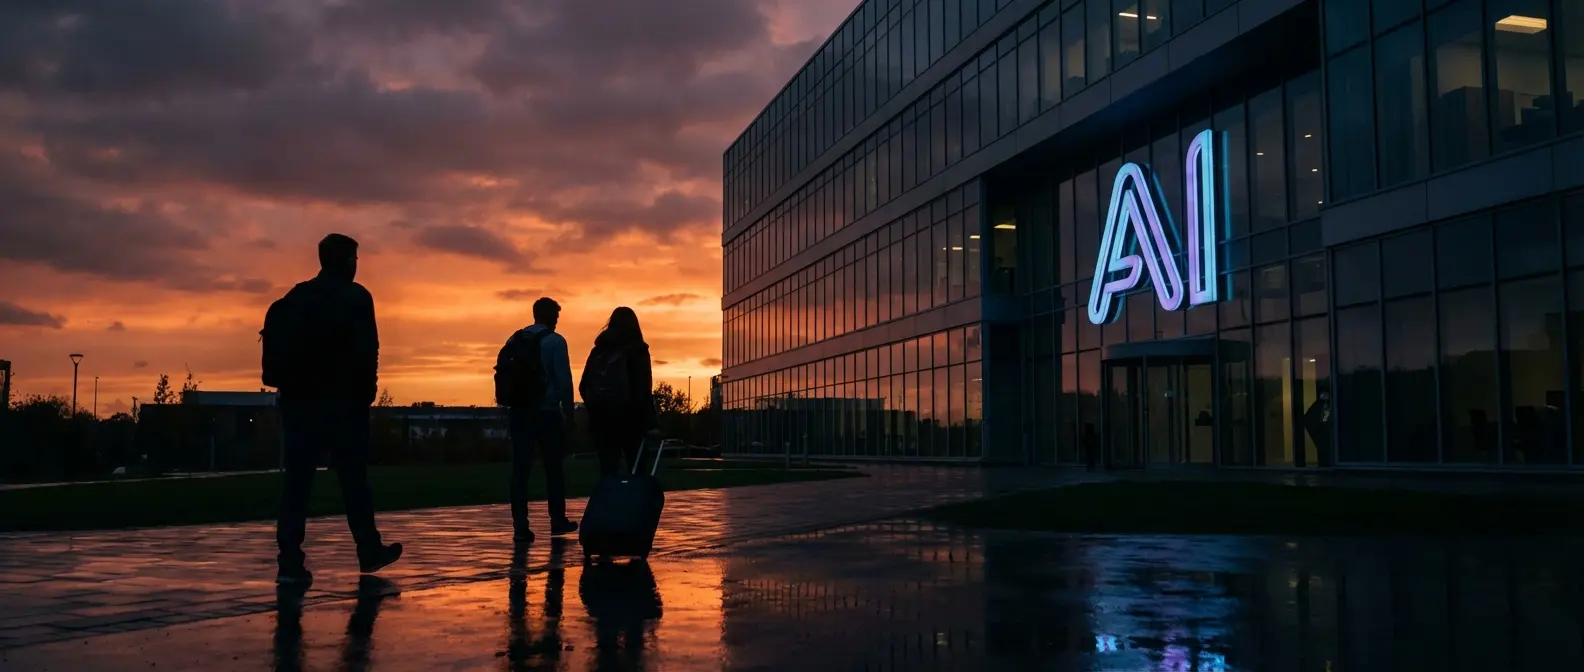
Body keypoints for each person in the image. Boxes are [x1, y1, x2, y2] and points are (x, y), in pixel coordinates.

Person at [265, 233, 401, 587]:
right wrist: (367, 391)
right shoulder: (356, 298)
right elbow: (368, 348)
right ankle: (368, 550)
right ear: (343, 261)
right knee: (354, 481)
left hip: (299, 404)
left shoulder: (296, 297)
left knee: (297, 483)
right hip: (343, 403)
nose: (357, 266)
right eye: (354, 259)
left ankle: (289, 560)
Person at [497, 297, 579, 543]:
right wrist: (570, 414)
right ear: (550, 316)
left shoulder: (515, 339)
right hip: (547, 413)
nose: (557, 320)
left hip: (519, 411)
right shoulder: (555, 341)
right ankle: (557, 519)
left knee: (520, 470)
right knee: (553, 468)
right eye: (556, 315)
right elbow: (563, 380)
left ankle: (520, 526)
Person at [578, 307, 656, 476]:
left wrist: (595, 408)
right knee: (637, 469)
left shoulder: (599, 350)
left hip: (602, 419)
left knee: (608, 470)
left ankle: (609, 500)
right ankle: (635, 500)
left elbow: (583, 385)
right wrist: (650, 421)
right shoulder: (638, 350)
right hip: (631, 419)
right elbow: (643, 388)